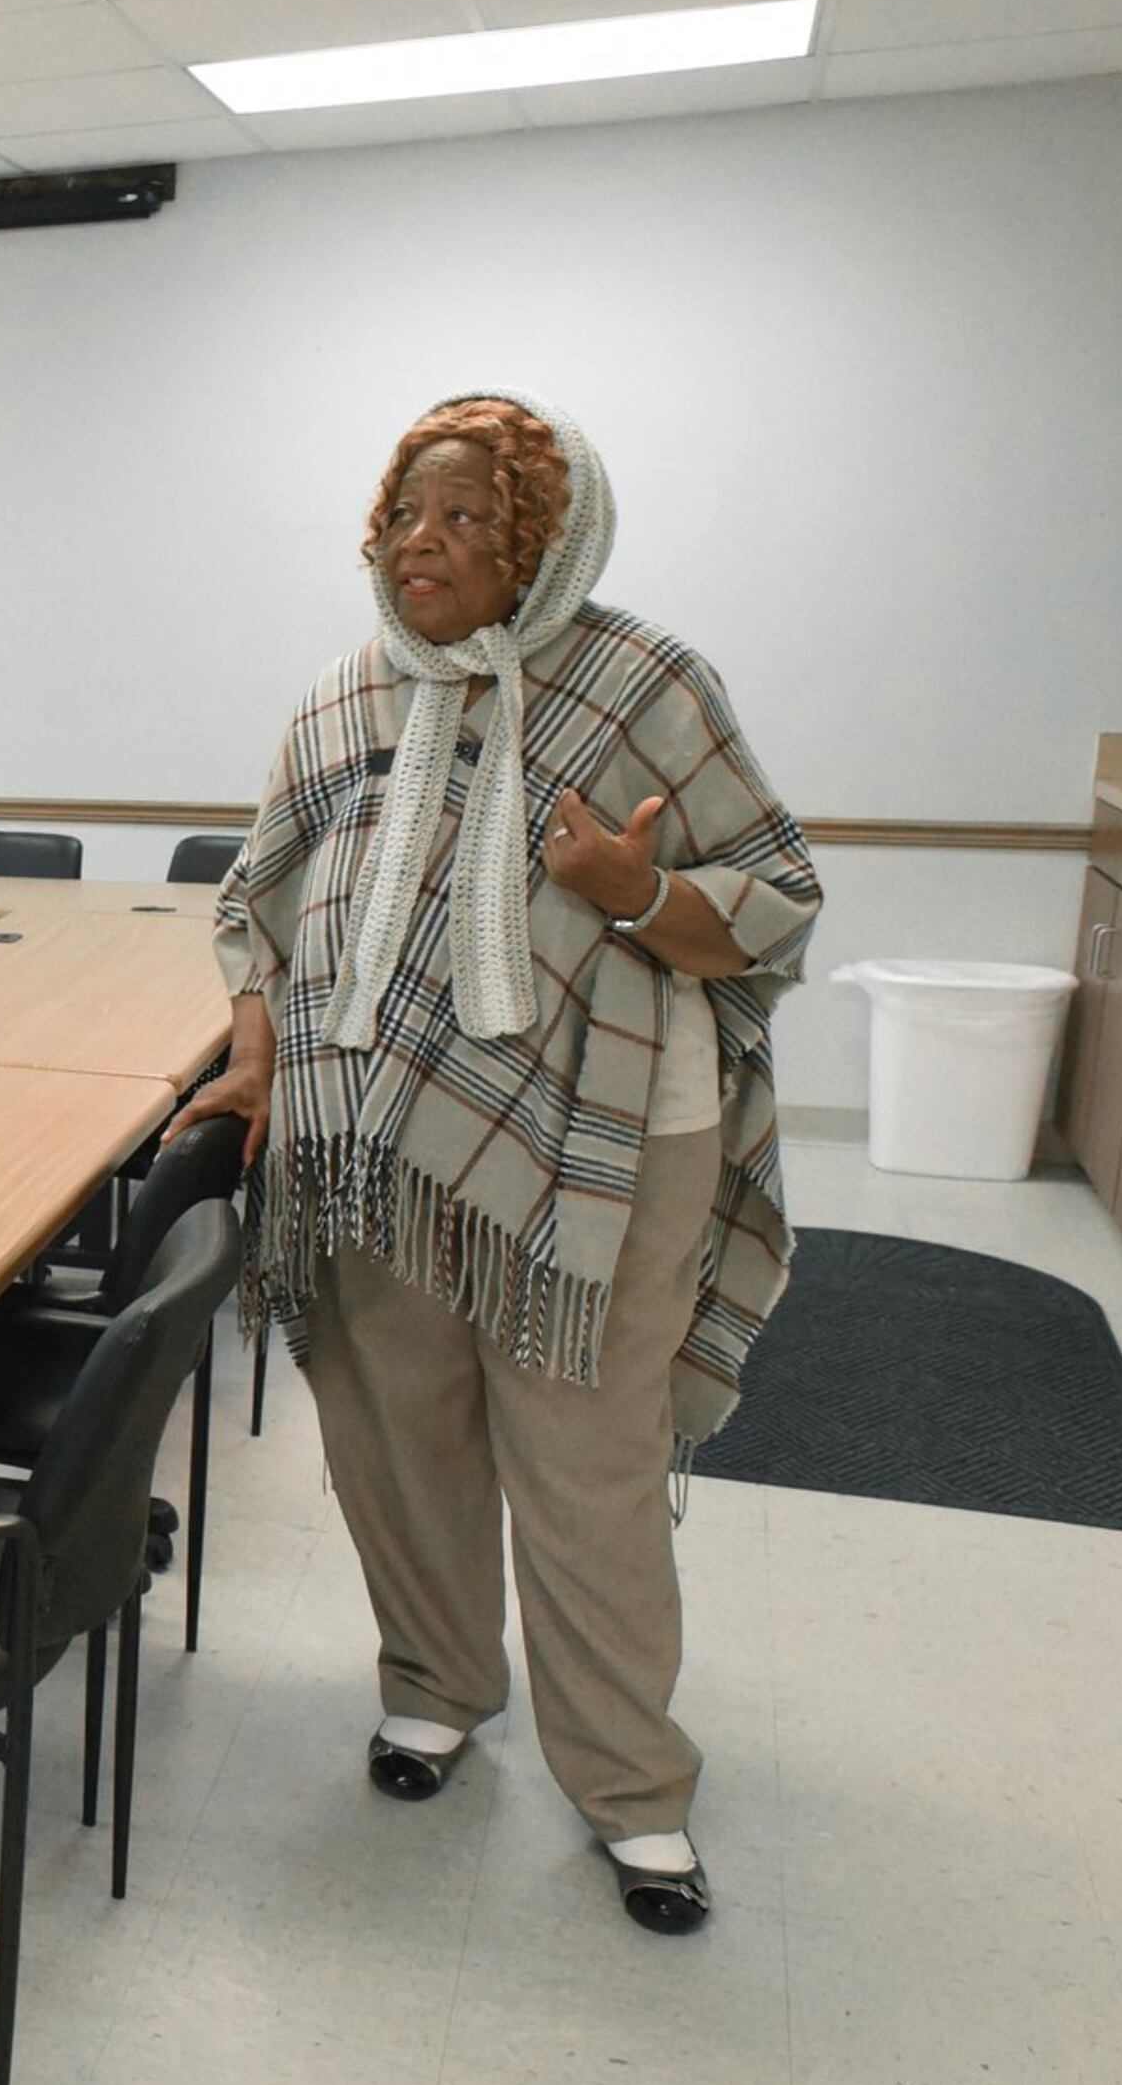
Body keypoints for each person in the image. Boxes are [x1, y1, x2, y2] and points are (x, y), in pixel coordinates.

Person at [167, 390, 819, 1935]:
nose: (424, 545)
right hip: (372, 1139)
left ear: (539, 539)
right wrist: (256, 1046)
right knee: (396, 1435)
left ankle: (631, 1785)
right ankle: (436, 1684)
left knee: (583, 1462)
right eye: (407, 513)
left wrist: (635, 884)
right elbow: (257, 898)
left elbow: (777, 898)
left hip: (602, 1149)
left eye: (467, 517)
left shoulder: (646, 681)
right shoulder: (342, 699)